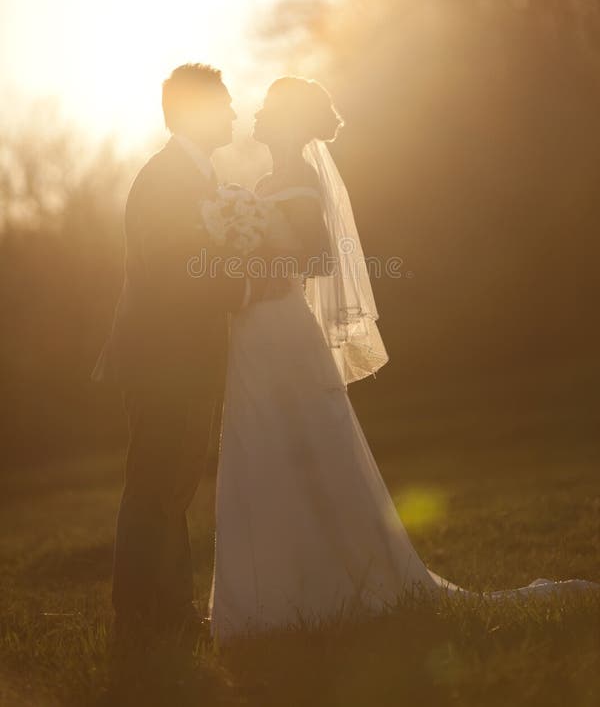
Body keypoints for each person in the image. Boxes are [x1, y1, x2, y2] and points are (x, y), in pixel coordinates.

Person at [208, 75, 599, 642]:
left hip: (284, 332)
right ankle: (276, 596)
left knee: (311, 454)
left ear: (291, 122)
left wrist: (261, 256)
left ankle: (329, 591)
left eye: (269, 108)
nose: (258, 116)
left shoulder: (297, 180)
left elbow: (317, 256)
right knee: (263, 453)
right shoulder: (268, 181)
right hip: (255, 335)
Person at [91, 63, 285, 644]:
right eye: (222, 103)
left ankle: (169, 609)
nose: (231, 113)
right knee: (154, 483)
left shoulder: (195, 178)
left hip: (183, 359)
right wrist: (249, 287)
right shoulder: (167, 180)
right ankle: (140, 616)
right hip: (161, 360)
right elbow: (179, 273)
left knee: (173, 485)